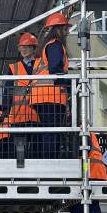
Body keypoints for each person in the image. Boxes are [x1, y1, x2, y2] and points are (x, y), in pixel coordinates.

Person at [32, 12, 70, 158]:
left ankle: (49, 158)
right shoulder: (55, 45)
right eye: (65, 28)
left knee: (49, 130)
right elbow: (55, 68)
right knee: (52, 131)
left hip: (43, 96)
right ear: (58, 29)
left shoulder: (46, 46)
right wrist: (68, 83)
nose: (67, 32)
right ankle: (50, 159)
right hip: (50, 96)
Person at [0, 33, 41, 158]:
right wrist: (5, 110)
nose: (23, 50)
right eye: (21, 47)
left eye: (27, 47)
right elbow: (7, 91)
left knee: (36, 150)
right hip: (18, 116)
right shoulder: (13, 68)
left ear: (34, 48)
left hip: (37, 115)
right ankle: (20, 174)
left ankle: (34, 174)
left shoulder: (41, 65)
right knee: (19, 152)